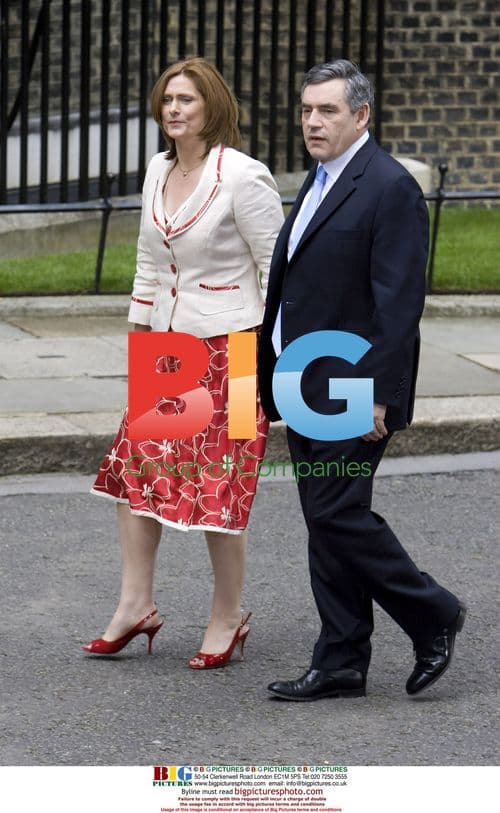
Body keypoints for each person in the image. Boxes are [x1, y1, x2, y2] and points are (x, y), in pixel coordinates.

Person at [257, 59, 465, 700]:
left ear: (362, 116)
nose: (312, 122)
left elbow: (399, 304)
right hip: (303, 378)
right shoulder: (320, 181)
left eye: (328, 111)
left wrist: (378, 393)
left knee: (338, 513)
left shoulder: (388, 187)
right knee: (325, 519)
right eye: (307, 110)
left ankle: (433, 611)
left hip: (352, 388)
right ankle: (342, 657)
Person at [84, 57, 284, 668]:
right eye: (168, 98)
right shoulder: (156, 170)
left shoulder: (243, 176)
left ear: (212, 108)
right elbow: (149, 263)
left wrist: (273, 359)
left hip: (236, 349)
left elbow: (279, 266)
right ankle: (134, 604)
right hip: (168, 352)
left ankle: (228, 616)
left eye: (187, 100)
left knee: (222, 489)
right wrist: (140, 339)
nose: (174, 109)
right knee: (137, 469)